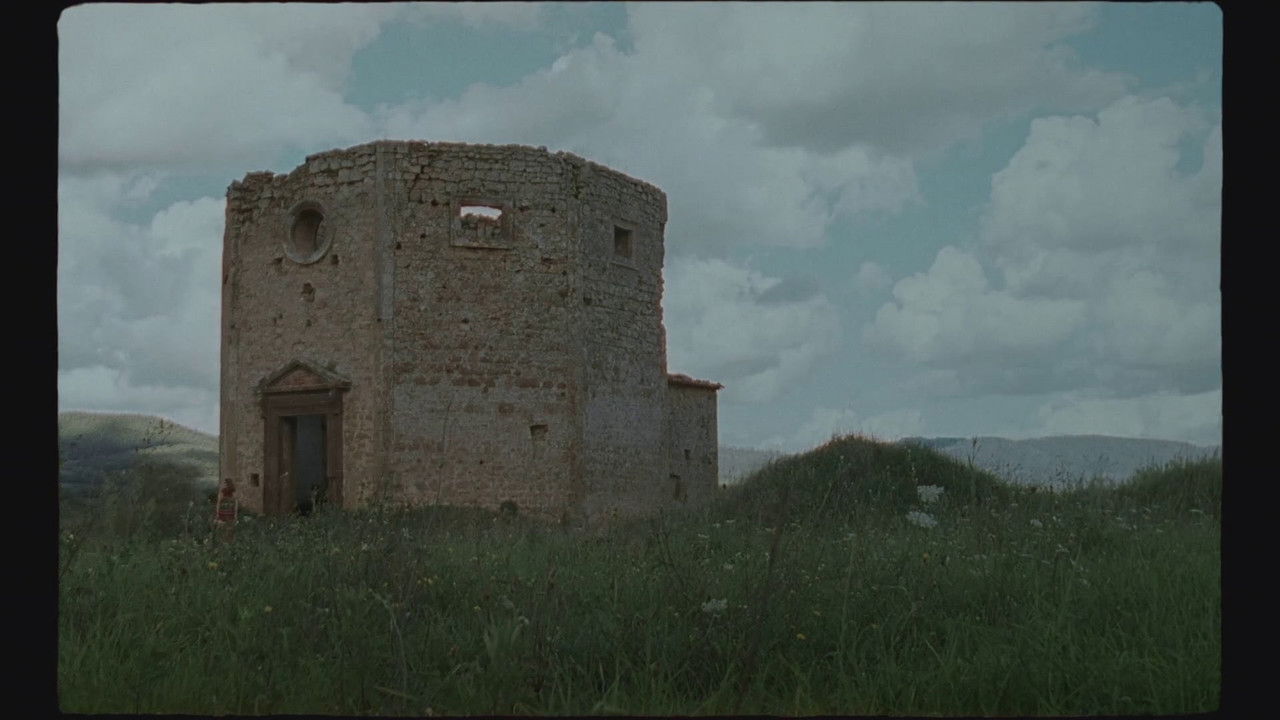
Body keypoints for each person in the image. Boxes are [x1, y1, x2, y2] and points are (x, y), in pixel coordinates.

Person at [214, 478, 238, 543]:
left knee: (229, 528)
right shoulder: (222, 492)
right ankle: (223, 541)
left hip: (230, 513)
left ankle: (229, 541)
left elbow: (236, 503)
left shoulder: (233, 492)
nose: (225, 485)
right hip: (223, 513)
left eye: (226, 483)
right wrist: (217, 513)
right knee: (223, 527)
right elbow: (218, 503)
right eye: (224, 483)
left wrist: (235, 514)